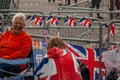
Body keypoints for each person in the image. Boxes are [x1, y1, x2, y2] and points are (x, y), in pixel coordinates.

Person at [0, 13, 32, 78]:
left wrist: (5, 58)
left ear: (24, 26)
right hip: (3, 59)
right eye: (16, 23)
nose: (18, 25)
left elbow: (22, 54)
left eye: (21, 24)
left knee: (1, 66)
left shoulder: (26, 38)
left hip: (17, 63)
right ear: (12, 23)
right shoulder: (4, 35)